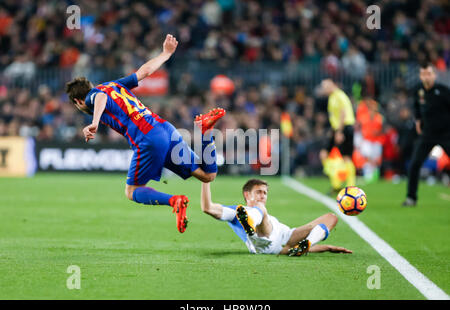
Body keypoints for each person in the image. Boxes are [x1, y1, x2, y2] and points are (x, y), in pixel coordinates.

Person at [65, 34, 225, 233]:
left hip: (147, 137)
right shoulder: (115, 84)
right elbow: (144, 72)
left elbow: (99, 98)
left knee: (132, 191)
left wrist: (95, 122)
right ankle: (205, 132)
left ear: (78, 102)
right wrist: (165, 54)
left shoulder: (92, 96)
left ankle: (175, 201)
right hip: (165, 129)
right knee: (207, 175)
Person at [200, 179, 352, 256]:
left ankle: (308, 241)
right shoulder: (236, 211)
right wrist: (205, 179)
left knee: (332, 218)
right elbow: (208, 208)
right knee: (259, 209)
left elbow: (287, 249)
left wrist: (325, 248)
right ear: (247, 194)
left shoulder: (253, 211)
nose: (263, 195)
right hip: (263, 241)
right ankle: (251, 231)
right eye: (259, 192)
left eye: (265, 193)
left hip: (284, 238)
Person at [402, 61, 450, 206]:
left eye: (429, 73)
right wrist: (417, 120)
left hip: (446, 134)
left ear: (434, 75)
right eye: (423, 74)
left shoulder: (443, 91)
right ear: (420, 76)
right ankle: (411, 198)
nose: (426, 77)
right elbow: (417, 107)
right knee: (415, 164)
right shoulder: (418, 90)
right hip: (427, 134)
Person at [319, 79, 357, 193]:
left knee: (346, 157)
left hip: (345, 127)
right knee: (324, 154)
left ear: (332, 85)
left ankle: (350, 186)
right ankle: (336, 184)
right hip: (337, 128)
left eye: (325, 87)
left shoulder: (340, 96)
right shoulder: (332, 97)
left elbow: (343, 113)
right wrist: (333, 130)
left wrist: (340, 131)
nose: (324, 90)